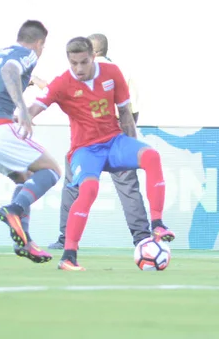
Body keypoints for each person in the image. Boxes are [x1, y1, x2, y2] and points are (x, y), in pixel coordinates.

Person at [27, 36, 175, 271]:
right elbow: (35, 108)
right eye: (73, 63)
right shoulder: (62, 82)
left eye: (83, 62)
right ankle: (69, 255)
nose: (78, 69)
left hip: (115, 142)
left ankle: (157, 224)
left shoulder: (112, 72)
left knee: (151, 156)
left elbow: (125, 112)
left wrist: (131, 148)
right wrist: (19, 121)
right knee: (89, 189)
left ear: (93, 57)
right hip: (84, 150)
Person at [0, 19, 60, 264]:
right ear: (39, 43)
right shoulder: (27, 53)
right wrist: (23, 110)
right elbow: (10, 72)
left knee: (25, 179)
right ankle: (13, 210)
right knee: (51, 170)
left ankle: (24, 243)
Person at [46, 33, 150, 250]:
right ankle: (142, 239)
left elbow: (54, 94)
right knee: (129, 189)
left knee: (73, 187)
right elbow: (132, 111)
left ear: (92, 53)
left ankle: (65, 239)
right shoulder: (121, 72)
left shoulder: (75, 75)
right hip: (117, 139)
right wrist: (131, 143)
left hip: (86, 144)